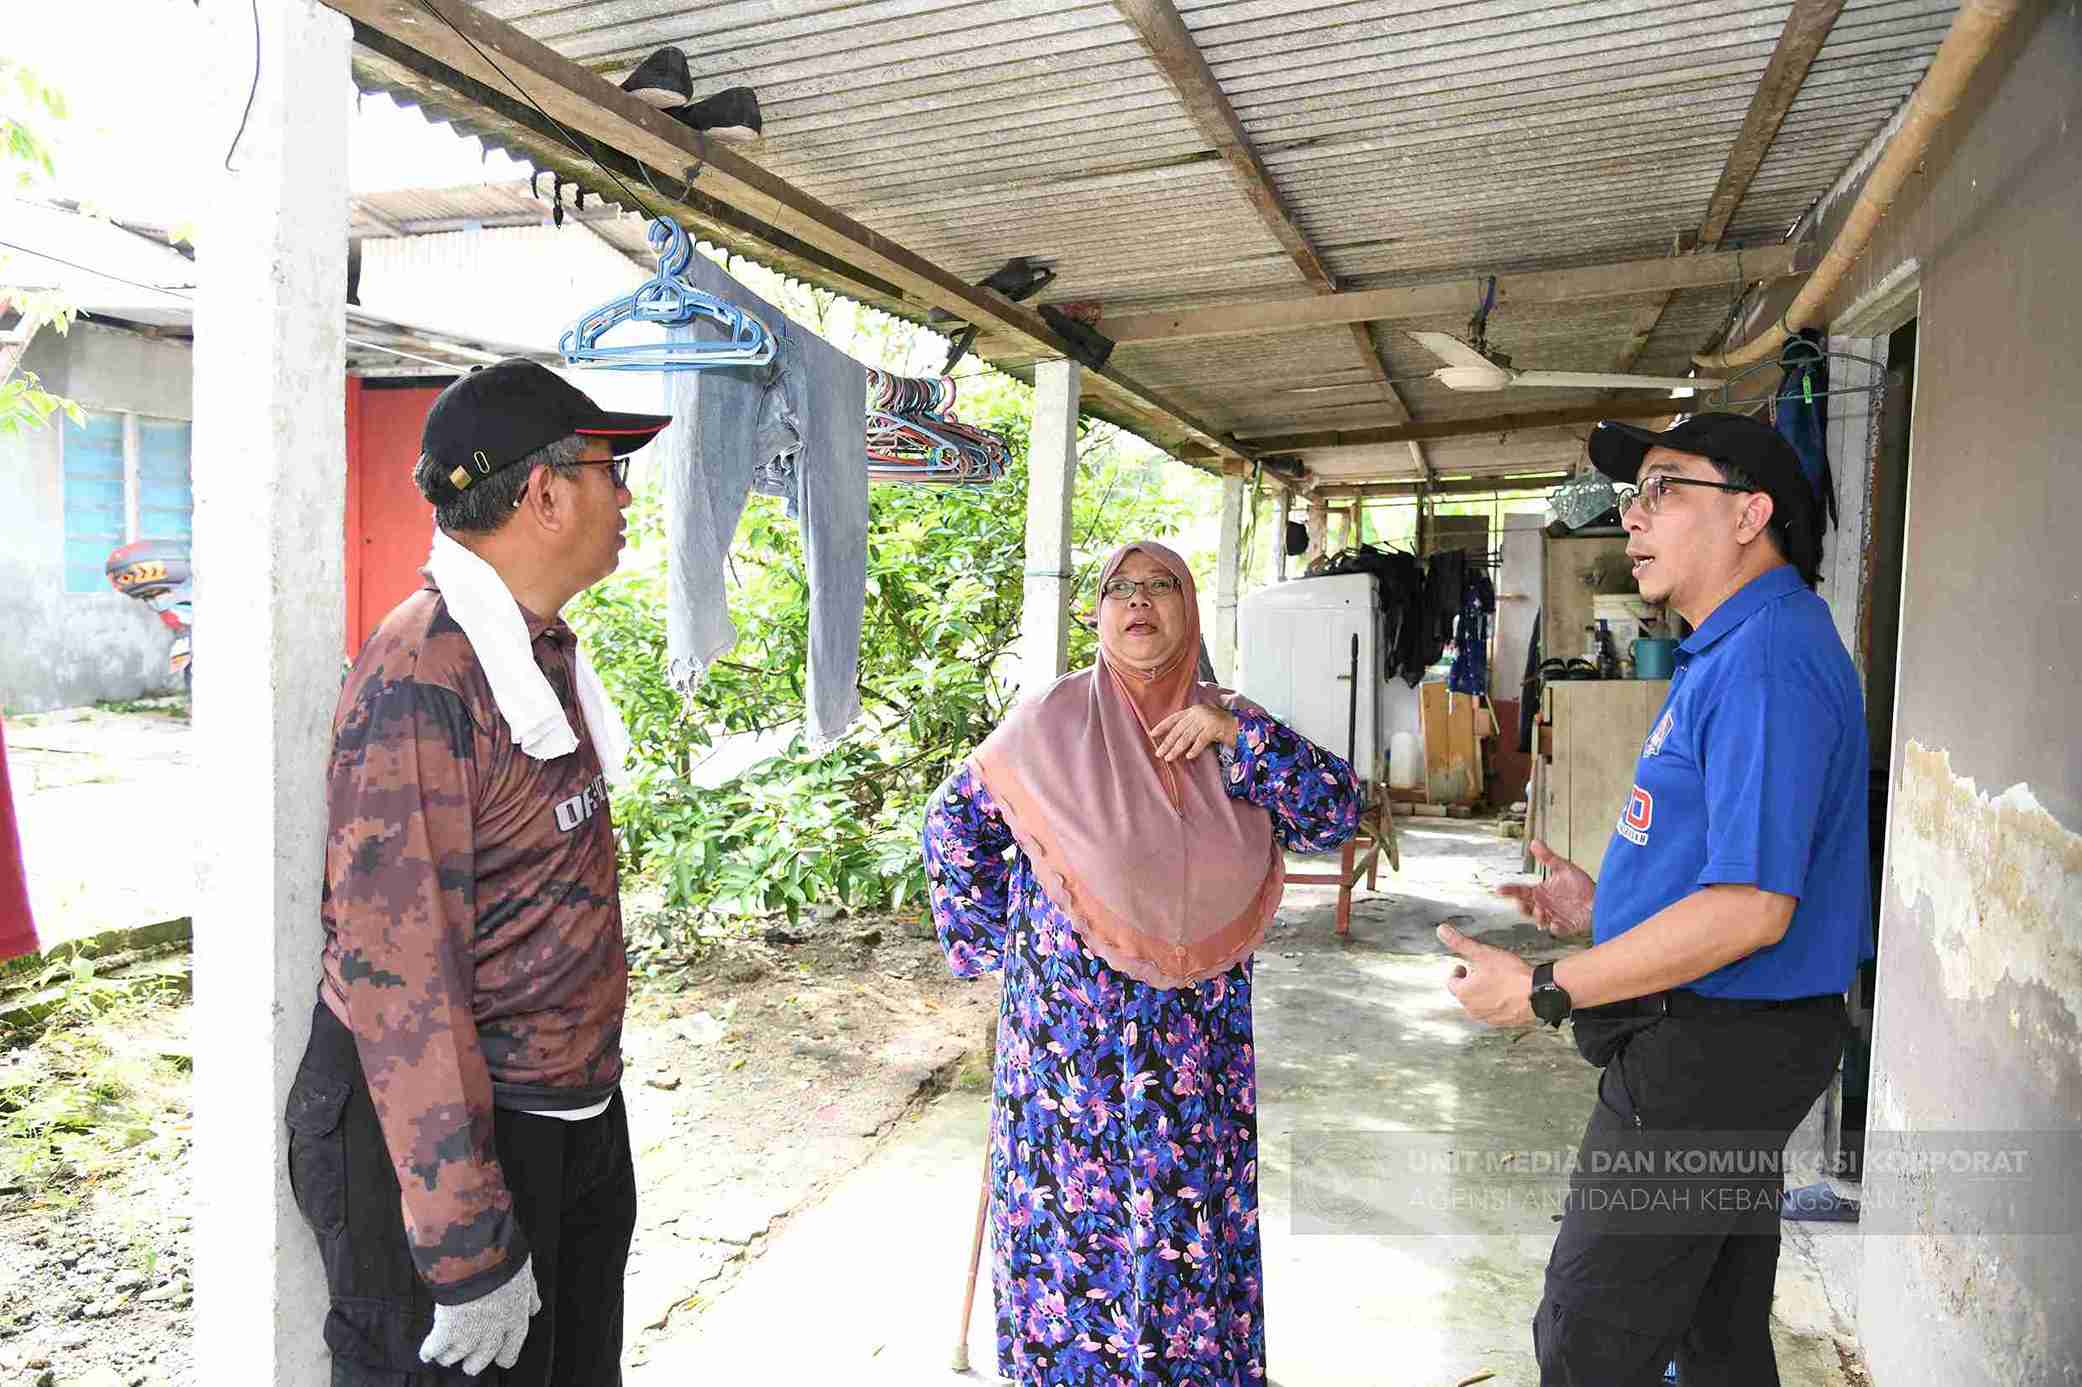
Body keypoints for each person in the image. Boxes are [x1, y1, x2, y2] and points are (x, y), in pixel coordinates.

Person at [1440, 412, 1872, 1385]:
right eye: (1635, 495)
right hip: (1735, 1040)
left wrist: (1548, 986)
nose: (1633, 517)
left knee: (1587, 1339)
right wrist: (1608, 905)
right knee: (1715, 1332)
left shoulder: (1768, 659)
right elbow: (1731, 867)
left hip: (1714, 1049)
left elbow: (1754, 906)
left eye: (1664, 489)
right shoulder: (1734, 645)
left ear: (1751, 513)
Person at [285, 360, 669, 1385]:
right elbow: (398, 980)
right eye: (611, 472)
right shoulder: (424, 676)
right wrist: (466, 1249)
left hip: (563, 1119)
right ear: (544, 493)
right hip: (450, 1145)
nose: (627, 498)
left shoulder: (531, 649)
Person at [922, 540, 1361, 1386]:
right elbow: (953, 825)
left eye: (1161, 585)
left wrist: (1239, 735)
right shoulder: (1048, 722)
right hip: (1070, 1044)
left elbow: (1335, 812)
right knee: (1075, 1222)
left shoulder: (1224, 722)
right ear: (1098, 613)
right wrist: (1003, 946)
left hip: (1194, 1044)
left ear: (1187, 610)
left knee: (1185, 1219)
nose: (1139, 601)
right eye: (1120, 587)